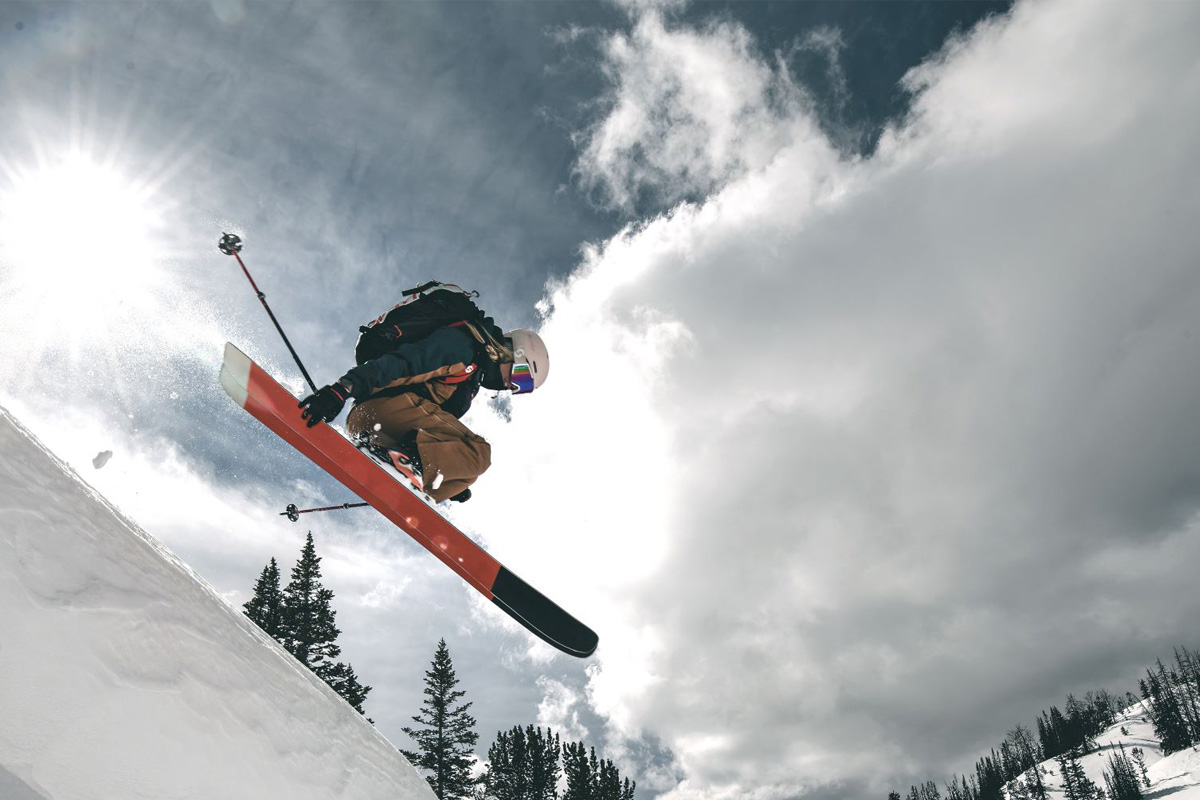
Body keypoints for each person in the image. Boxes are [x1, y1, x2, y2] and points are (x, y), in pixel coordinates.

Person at [297, 317, 548, 504]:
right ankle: (404, 462)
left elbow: (430, 425)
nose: (512, 386)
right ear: (511, 351)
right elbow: (403, 363)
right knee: (479, 453)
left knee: (466, 472)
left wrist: (450, 474)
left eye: (522, 388)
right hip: (378, 410)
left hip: (377, 427)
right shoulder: (463, 348)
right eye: (522, 376)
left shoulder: (469, 382)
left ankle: (403, 467)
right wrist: (342, 389)